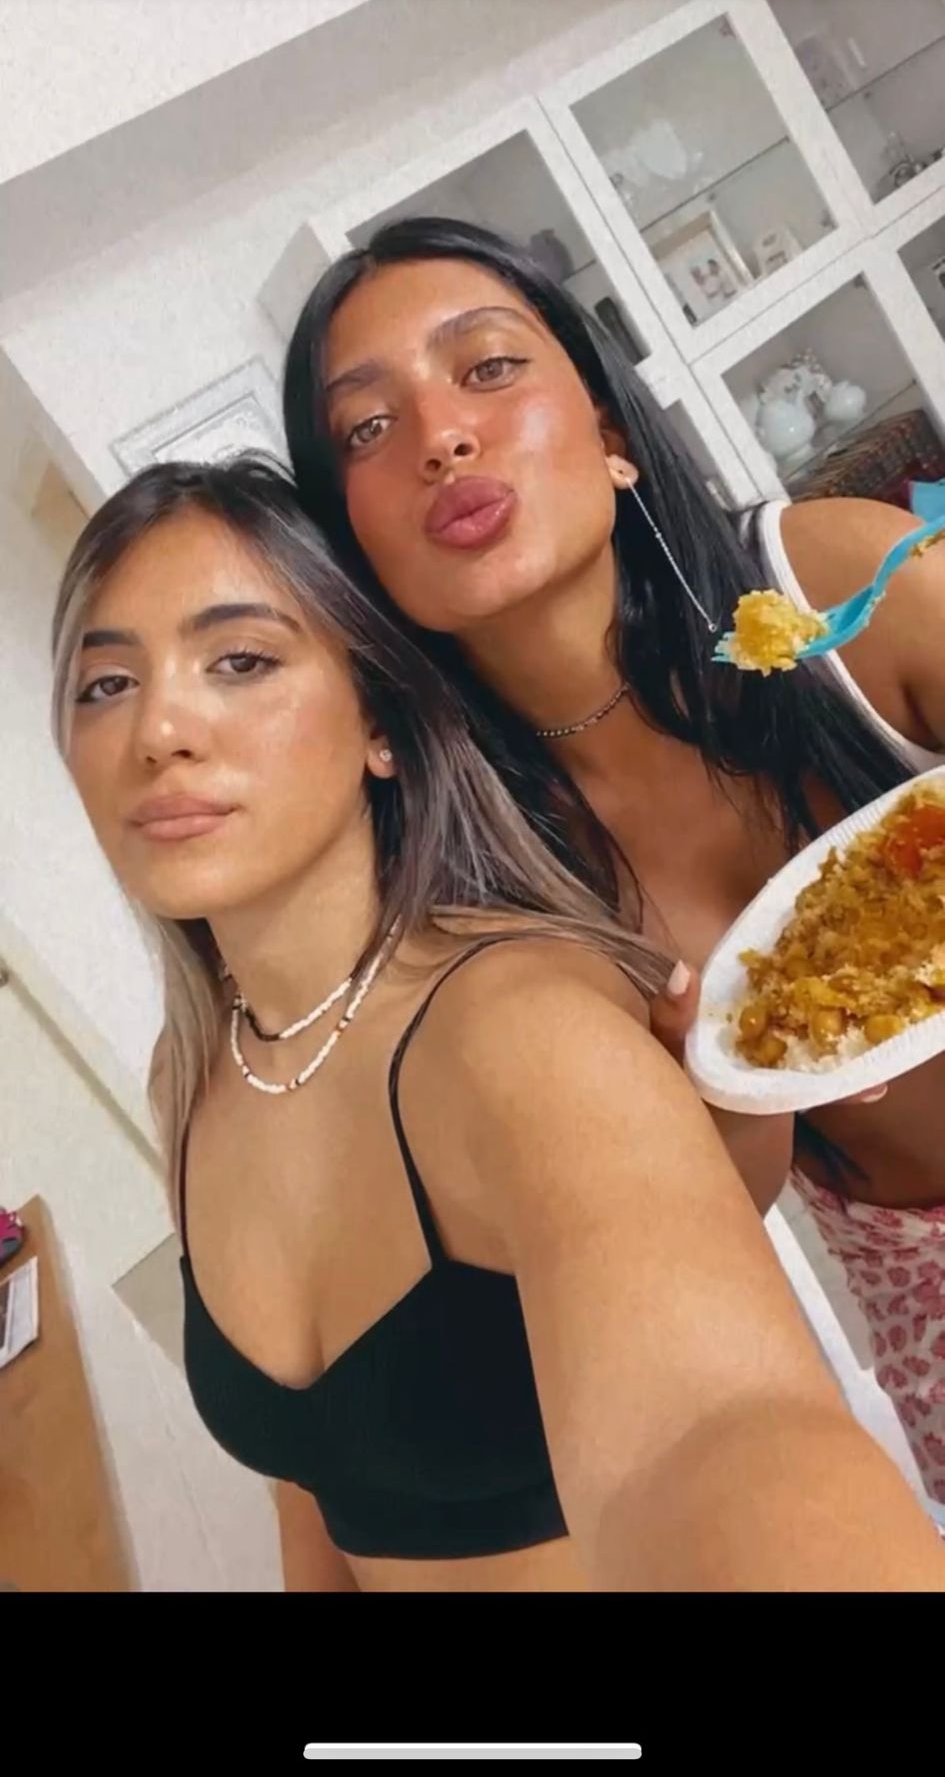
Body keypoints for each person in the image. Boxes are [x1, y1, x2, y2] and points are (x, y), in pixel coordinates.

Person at [51, 455, 943, 1590]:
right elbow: (314, 1496)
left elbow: (716, 1435)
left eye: (240, 660)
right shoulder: (193, 1073)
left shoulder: (524, 1028)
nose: (159, 728)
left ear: (380, 722)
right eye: (105, 684)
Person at [282, 215, 945, 1524]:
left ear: (611, 431)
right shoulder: (492, 888)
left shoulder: (828, 581)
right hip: (912, 1274)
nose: (441, 438)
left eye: (487, 367)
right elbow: (721, 1209)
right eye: (368, 429)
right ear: (355, 550)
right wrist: (732, 1100)